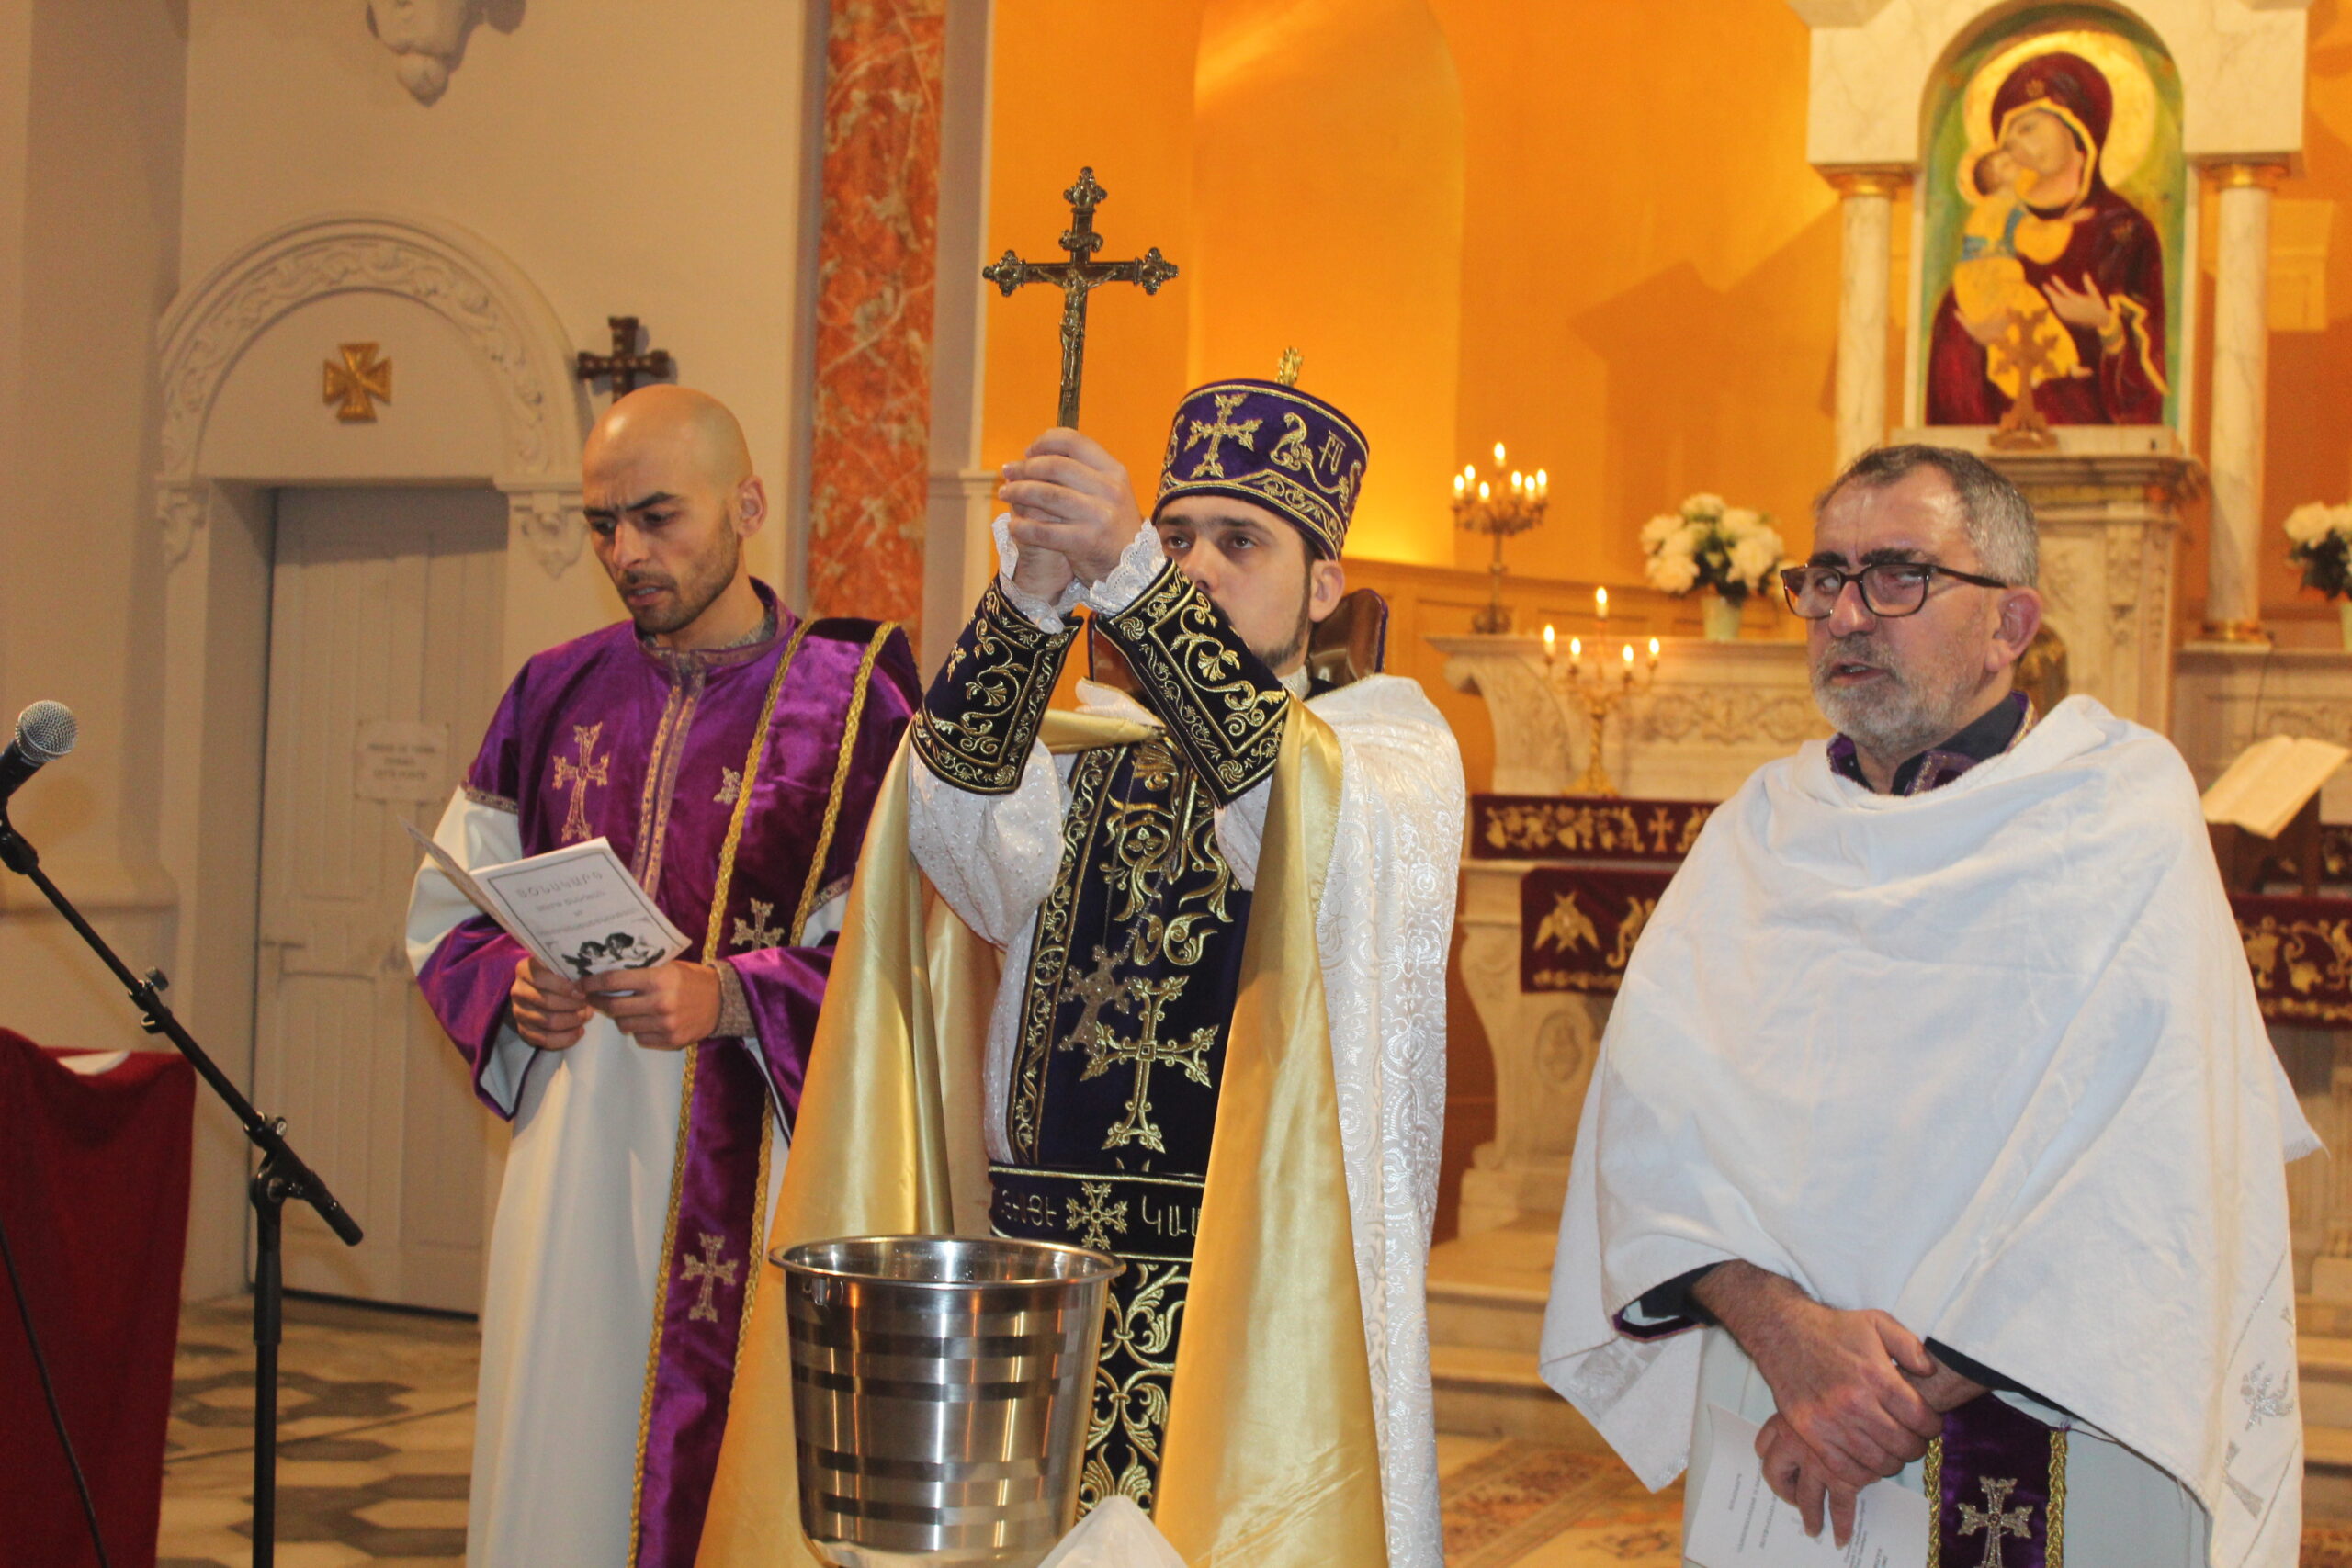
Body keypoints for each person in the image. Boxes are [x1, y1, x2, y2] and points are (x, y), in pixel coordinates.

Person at [695, 370, 1465, 1568]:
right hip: (1040, 1281)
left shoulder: (1387, 749)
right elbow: (948, 834)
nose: (1201, 563)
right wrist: (1029, 598)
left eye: (1239, 541)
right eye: (1180, 538)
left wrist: (1136, 578)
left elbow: (1289, 816)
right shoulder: (1090, 737)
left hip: (1243, 1290)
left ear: (1323, 585)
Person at [1540, 444, 2315, 1566]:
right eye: (1824, 579)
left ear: (2012, 622)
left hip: (2062, 1415)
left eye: (1897, 576)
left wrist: (1888, 1398)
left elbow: (2165, 1149)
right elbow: (1648, 1129)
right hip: (1779, 1401)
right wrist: (1787, 1339)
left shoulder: (2118, 810)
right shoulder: (1756, 834)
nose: (1846, 615)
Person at [404, 385, 919, 1568]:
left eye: (656, 517)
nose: (625, 553)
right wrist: (513, 992)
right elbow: (448, 912)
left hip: (759, 1156)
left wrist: (736, 994)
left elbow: (917, 960)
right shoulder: (552, 691)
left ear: (747, 504)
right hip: (573, 1161)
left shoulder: (850, 705)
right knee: (565, 1453)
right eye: (600, 524)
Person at [1927, 51, 2167, 426]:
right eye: (2006, 140)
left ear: (2077, 128)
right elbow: (1958, 316)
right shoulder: (1993, 226)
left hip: (2094, 451)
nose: (2014, 146)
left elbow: (2150, 377)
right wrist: (1970, 337)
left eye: (2028, 127)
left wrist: (2106, 326)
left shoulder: (2123, 233)